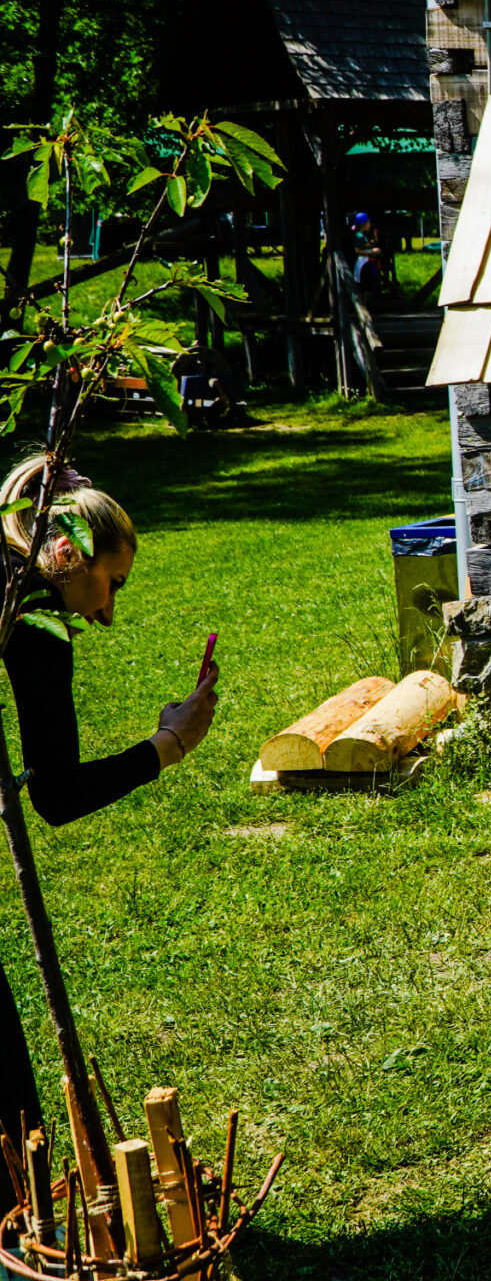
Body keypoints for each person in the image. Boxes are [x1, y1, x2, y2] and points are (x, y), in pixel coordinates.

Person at [0, 457, 218, 1159]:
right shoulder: (36, 618)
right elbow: (57, 797)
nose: (108, 612)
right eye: (112, 583)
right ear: (69, 552)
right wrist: (167, 746)